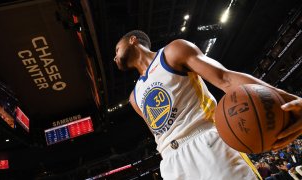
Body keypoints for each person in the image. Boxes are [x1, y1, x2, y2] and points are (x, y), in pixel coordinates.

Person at [113, 30, 302, 180]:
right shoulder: (134, 97)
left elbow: (225, 78)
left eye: (116, 50)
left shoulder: (172, 52)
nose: (114, 57)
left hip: (206, 144)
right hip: (171, 162)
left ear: (133, 40)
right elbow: (158, 131)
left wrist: (288, 98)